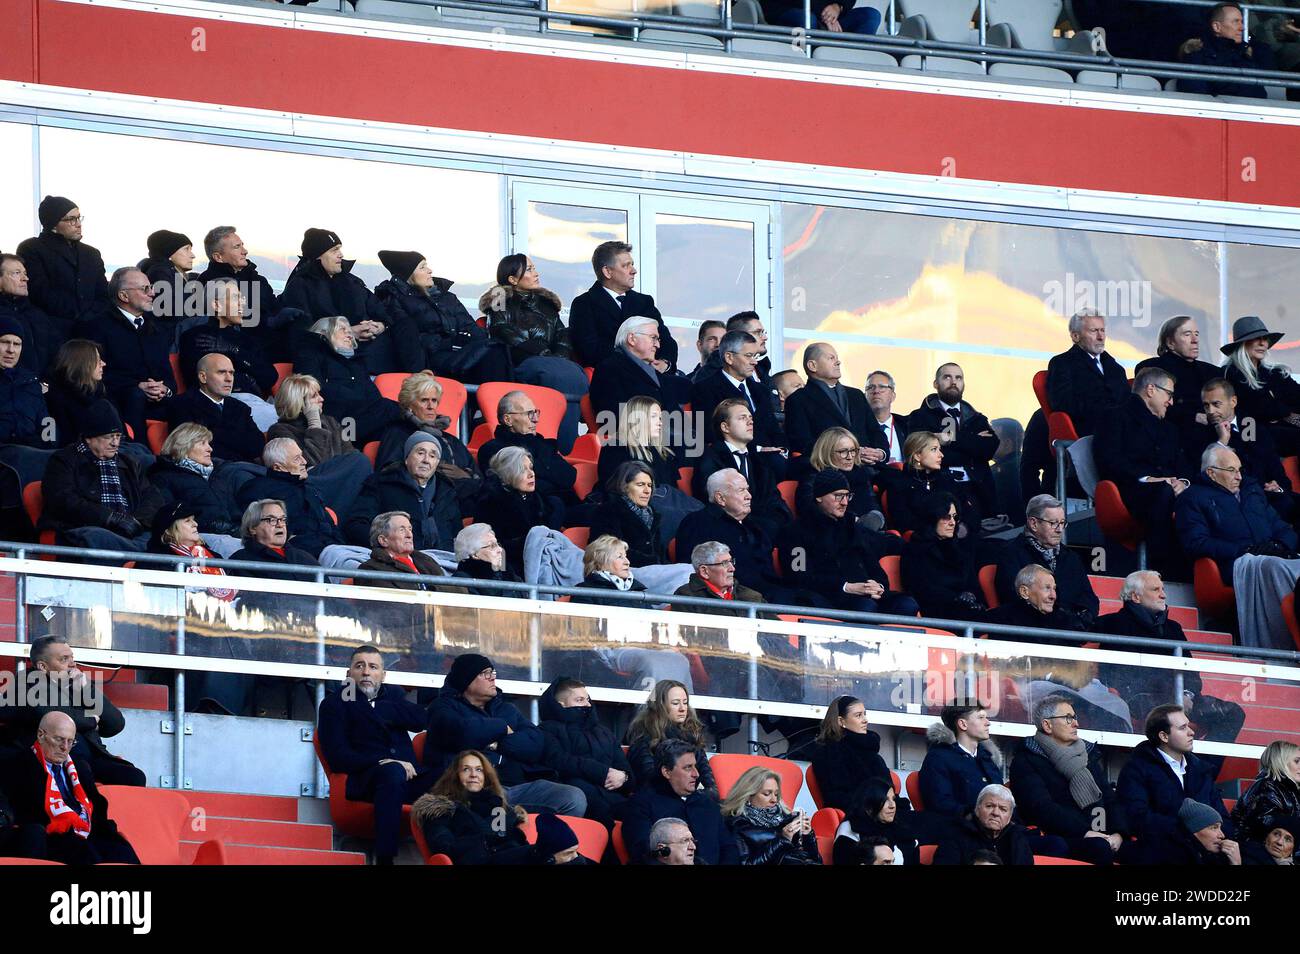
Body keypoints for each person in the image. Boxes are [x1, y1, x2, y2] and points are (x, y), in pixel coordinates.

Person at [424, 652, 587, 817]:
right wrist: (502, 727)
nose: (492, 678)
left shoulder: (505, 708)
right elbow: (462, 732)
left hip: (517, 786)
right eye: (485, 673)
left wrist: (497, 743)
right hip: (474, 790)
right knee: (495, 812)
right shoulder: (443, 707)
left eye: (492, 672)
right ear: (466, 680)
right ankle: (506, 833)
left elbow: (536, 743)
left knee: (573, 797)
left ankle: (539, 839)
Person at [316, 645, 436, 865]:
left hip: (409, 778)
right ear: (348, 673)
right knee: (391, 773)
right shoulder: (335, 704)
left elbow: (421, 720)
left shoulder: (393, 696)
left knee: (451, 775)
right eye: (359, 666)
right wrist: (385, 761)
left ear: (383, 675)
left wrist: (384, 710)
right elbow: (337, 756)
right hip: (365, 780)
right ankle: (385, 859)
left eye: (373, 667)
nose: (366, 672)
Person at [1096, 570, 1245, 744]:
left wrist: (1187, 693)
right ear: (1136, 597)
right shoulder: (1113, 623)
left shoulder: (1173, 628)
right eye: (1155, 590)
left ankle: (1202, 769)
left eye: (1163, 589)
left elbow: (1189, 670)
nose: (1164, 595)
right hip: (1138, 699)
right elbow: (1112, 673)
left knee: (1233, 713)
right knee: (1168, 719)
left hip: (1178, 696)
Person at [0, 635, 145, 787]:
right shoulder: (26, 683)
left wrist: (86, 688)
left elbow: (115, 724)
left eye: (72, 657)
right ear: (43, 667)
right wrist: (91, 721)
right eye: (64, 659)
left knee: (135, 777)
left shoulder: (75, 683)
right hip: (52, 761)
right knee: (82, 773)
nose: (72, 664)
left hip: (90, 759)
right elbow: (55, 716)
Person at [481, 253, 587, 451]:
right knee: (558, 374)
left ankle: (566, 443)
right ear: (512, 279)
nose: (536, 273)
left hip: (551, 360)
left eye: (534, 268)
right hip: (522, 360)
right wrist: (542, 352)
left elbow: (562, 334)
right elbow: (501, 329)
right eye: (529, 269)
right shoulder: (500, 297)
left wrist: (559, 356)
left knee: (576, 374)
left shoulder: (546, 303)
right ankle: (562, 445)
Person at [1, 711, 139, 864]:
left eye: (70, 742)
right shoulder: (18, 764)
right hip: (51, 834)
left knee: (123, 851)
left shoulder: (80, 767)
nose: (64, 748)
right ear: (41, 735)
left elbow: (96, 808)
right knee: (84, 852)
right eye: (59, 739)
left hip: (85, 831)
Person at [777, 468, 919, 615]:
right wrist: (846, 587)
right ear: (819, 497)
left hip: (867, 596)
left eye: (847, 496)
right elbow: (798, 576)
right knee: (866, 607)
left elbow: (874, 567)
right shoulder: (795, 532)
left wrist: (878, 586)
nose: (844, 502)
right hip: (830, 599)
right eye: (838, 496)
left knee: (907, 604)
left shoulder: (853, 528)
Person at [1094, 366, 1191, 572]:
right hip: (1130, 492)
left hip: (1169, 490)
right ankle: (1163, 570)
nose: (1171, 402)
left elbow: (1183, 466)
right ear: (1150, 390)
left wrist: (1183, 482)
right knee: (1163, 493)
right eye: (1169, 394)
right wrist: (1149, 479)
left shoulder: (1170, 429)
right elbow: (1108, 462)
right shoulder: (1114, 417)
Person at [280, 228, 415, 376]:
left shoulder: (351, 282)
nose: (341, 255)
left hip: (368, 348)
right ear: (318, 256)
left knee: (406, 325)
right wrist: (349, 332)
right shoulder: (299, 286)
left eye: (340, 249)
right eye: (334, 250)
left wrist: (381, 325)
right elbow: (302, 332)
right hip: (331, 355)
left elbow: (380, 309)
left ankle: (418, 379)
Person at [1008, 695, 1125, 865]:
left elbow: (1109, 798)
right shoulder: (1026, 760)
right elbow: (1041, 808)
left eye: (1074, 717)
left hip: (1103, 834)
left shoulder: (1088, 755)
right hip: (1060, 838)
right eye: (1068, 718)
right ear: (1047, 725)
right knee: (1099, 848)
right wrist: (1085, 832)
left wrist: (1118, 833)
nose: (1076, 723)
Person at [40, 400, 164, 552]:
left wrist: (135, 522)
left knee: (164, 540)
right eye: (109, 437)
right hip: (85, 528)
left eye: (118, 436)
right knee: (98, 538)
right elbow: (63, 500)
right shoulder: (64, 460)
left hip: (130, 532)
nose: (115, 443)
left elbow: (151, 496)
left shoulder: (130, 462)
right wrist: (110, 518)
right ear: (89, 438)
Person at [373, 249, 509, 383]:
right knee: (493, 354)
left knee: (497, 347)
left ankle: (502, 401)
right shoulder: (394, 298)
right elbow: (405, 336)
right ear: (408, 275)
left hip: (459, 352)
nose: (430, 270)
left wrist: (472, 339)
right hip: (431, 359)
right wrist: (448, 343)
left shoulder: (447, 297)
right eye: (422, 267)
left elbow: (470, 327)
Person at [1175, 444, 1298, 587]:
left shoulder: (1252, 492)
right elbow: (1196, 543)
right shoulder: (1192, 498)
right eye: (1231, 471)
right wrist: (1244, 550)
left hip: (1274, 558)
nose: (1239, 477)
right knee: (1278, 570)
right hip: (1234, 565)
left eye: (1239, 470)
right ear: (1211, 473)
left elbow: (1282, 528)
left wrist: (1278, 545)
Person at [676, 468, 801, 605]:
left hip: (769, 594)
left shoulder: (756, 526)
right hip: (733, 599)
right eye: (741, 490)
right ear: (720, 498)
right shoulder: (697, 523)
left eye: (747, 490)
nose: (749, 496)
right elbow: (691, 572)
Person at [1116, 704, 1235, 847]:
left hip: (1208, 851)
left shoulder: (1202, 771)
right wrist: (1189, 833)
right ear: (1164, 736)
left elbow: (1223, 818)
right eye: (1182, 728)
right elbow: (1136, 817)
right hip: (1163, 851)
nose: (1191, 732)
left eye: (1189, 726)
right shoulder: (1136, 770)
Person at [88, 266, 176, 441]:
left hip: (160, 400)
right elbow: (95, 375)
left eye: (151, 288)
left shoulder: (157, 328)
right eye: (145, 289)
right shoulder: (96, 327)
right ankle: (140, 461)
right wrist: (138, 387)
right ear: (123, 296)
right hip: (122, 400)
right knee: (135, 397)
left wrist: (165, 389)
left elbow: (168, 376)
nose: (152, 293)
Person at [177, 278, 278, 430]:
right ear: (216, 305)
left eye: (242, 298)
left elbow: (270, 377)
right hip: (217, 406)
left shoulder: (246, 339)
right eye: (236, 298)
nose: (242, 304)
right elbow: (196, 379)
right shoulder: (195, 336)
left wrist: (233, 350)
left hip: (254, 402)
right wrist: (244, 378)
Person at [1190, 377, 1295, 521]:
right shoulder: (1200, 434)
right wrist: (1222, 442)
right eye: (1206, 405)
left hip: (1267, 494)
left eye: (1216, 404)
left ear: (1233, 402)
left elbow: (1272, 465)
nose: (1210, 411)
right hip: (1233, 502)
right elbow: (1205, 476)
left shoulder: (1249, 425)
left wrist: (1279, 487)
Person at [598, 394, 700, 541]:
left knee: (702, 513)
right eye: (654, 417)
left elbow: (671, 488)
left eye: (660, 417)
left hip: (667, 498)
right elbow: (616, 487)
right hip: (638, 501)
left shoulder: (662, 451)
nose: (660, 422)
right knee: (672, 515)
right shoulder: (615, 448)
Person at [538, 676, 636, 828]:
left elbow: (626, 770)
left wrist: (624, 777)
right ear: (561, 705)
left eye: (588, 699)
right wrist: (601, 772)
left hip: (614, 795)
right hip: (579, 796)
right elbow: (560, 762)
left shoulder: (604, 732)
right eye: (580, 700)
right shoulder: (548, 730)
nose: (587, 704)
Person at [622, 739, 739, 865]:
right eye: (688, 768)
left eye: (696, 766)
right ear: (666, 772)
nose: (696, 774)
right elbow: (643, 854)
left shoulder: (708, 804)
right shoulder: (641, 804)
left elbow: (729, 848)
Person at [373, 371, 481, 506]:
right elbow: (389, 473)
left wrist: (464, 474)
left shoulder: (452, 440)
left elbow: (479, 479)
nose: (431, 406)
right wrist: (436, 472)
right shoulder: (397, 433)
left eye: (434, 400)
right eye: (424, 400)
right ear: (410, 406)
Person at [344, 432, 461, 556]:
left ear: (437, 463)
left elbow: (457, 535)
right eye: (420, 453)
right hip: (395, 561)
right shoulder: (381, 484)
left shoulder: (447, 491)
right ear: (406, 458)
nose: (426, 460)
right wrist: (386, 546)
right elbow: (356, 525)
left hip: (442, 562)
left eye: (432, 456)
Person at [293, 315, 402, 446]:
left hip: (360, 427)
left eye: (350, 331)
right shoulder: (310, 354)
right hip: (338, 428)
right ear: (323, 332)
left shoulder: (357, 363)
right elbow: (310, 390)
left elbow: (374, 399)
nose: (349, 334)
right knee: (392, 409)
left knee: (397, 430)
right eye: (342, 329)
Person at [907, 363, 1000, 515]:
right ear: (936, 384)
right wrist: (972, 444)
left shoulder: (977, 417)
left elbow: (990, 448)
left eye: (958, 377)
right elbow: (921, 452)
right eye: (947, 377)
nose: (953, 382)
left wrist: (949, 439)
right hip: (939, 491)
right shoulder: (919, 416)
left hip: (980, 493)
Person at [995, 494, 1099, 628]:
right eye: (1053, 523)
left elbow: (1089, 598)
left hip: (1072, 632)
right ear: (1033, 523)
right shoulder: (1011, 553)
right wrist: (1061, 619)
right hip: (1030, 632)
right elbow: (1013, 597)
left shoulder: (1071, 558)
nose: (1060, 530)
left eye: (1062, 523)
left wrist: (1085, 616)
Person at [569, 241, 675, 371]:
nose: (634, 271)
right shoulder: (584, 304)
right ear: (607, 272)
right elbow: (588, 350)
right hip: (610, 377)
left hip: (651, 374)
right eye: (626, 266)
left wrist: (666, 363)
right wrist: (634, 360)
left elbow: (666, 340)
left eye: (632, 265)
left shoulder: (644, 302)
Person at [411, 750, 531, 865]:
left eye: (479, 770)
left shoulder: (499, 808)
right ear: (455, 776)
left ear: (486, 777)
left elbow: (517, 843)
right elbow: (445, 847)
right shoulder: (440, 808)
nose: (473, 775)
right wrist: (486, 840)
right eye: (466, 769)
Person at [235, 438, 344, 557]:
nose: (304, 461)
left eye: (302, 456)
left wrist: (342, 547)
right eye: (297, 459)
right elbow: (258, 529)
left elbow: (330, 526)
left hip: (332, 550)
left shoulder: (310, 490)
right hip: (300, 554)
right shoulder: (257, 488)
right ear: (278, 467)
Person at [15, 196, 110, 324]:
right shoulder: (31, 248)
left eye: (79, 218)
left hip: (92, 326)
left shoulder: (91, 253)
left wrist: (90, 316)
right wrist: (77, 313)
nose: (78, 224)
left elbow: (103, 294)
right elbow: (39, 292)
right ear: (53, 224)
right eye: (71, 219)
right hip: (50, 327)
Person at [475, 445, 565, 577]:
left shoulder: (542, 502)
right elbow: (492, 550)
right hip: (508, 571)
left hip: (539, 564)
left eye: (531, 468)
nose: (531, 474)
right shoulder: (491, 502)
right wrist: (530, 543)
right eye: (523, 470)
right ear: (507, 473)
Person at [478, 389, 578, 504]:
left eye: (536, 413)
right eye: (529, 414)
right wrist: (550, 473)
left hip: (567, 505)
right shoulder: (493, 449)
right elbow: (518, 487)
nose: (536, 419)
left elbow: (570, 476)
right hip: (533, 511)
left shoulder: (542, 443)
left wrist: (538, 469)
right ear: (508, 420)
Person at [197, 226, 284, 358]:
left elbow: (275, 309)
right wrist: (269, 322)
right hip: (237, 351)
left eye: (242, 245)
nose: (245, 251)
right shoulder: (207, 283)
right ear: (218, 257)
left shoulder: (258, 279)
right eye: (237, 247)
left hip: (272, 346)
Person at [689, 330, 782, 452]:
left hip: (770, 459)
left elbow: (774, 429)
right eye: (748, 355)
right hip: (731, 461)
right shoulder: (705, 389)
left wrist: (783, 449)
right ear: (729, 357)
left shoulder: (761, 390)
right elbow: (709, 433)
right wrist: (758, 449)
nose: (754, 362)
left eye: (755, 356)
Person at [1221, 315, 1300, 456]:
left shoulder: (1275, 373)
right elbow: (1258, 408)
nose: (1263, 343)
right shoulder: (1229, 374)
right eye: (1257, 338)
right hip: (1252, 434)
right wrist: (1287, 413)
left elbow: (1296, 396)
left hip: (1279, 431)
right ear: (1242, 344)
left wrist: (1284, 414)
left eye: (1265, 339)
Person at [167, 353, 266, 464]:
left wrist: (218, 435)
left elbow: (258, 446)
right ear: (203, 377)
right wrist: (238, 438)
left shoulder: (240, 407)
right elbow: (191, 448)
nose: (229, 379)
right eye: (221, 372)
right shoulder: (182, 404)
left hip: (245, 469)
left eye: (231, 373)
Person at [901, 493, 986, 621]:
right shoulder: (914, 550)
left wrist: (971, 595)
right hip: (937, 613)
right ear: (932, 518)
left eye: (955, 517)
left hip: (967, 611)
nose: (952, 523)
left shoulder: (960, 549)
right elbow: (922, 589)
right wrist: (956, 597)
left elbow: (972, 583)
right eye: (947, 517)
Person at [1046, 310, 1130, 439]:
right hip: (1089, 433)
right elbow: (1063, 404)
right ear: (1075, 336)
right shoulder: (1062, 364)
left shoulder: (1115, 368)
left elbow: (1127, 401)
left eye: (1102, 330)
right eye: (1094, 331)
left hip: (1122, 431)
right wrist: (1106, 409)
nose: (1100, 337)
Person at [625, 679, 718, 795]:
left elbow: (708, 780)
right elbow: (649, 780)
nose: (682, 708)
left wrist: (706, 795)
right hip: (656, 803)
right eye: (675, 703)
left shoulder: (691, 735)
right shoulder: (645, 737)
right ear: (660, 706)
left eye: (685, 703)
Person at [1136, 315, 1222, 440]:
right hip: (1167, 438)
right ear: (1170, 342)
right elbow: (1150, 407)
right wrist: (1193, 416)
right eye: (1187, 334)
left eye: (1197, 334)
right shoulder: (1151, 368)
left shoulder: (1213, 372)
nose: (1195, 340)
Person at [589, 316, 684, 426]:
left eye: (658, 340)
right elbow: (612, 419)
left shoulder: (657, 375)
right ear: (632, 339)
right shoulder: (608, 370)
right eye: (653, 338)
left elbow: (678, 419)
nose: (657, 345)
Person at [783, 342, 873, 455]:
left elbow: (875, 432)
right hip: (825, 467)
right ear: (812, 366)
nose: (838, 362)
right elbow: (801, 442)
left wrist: (880, 452)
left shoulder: (856, 395)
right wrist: (845, 452)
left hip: (867, 466)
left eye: (837, 358)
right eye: (831, 358)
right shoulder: (798, 399)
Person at [918, 703, 1003, 821]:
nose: (988, 722)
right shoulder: (938, 759)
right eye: (981, 717)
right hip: (962, 831)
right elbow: (940, 804)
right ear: (963, 724)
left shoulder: (988, 759)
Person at [720, 766, 819, 866]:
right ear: (748, 795)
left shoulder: (787, 819)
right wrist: (782, 840)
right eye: (767, 794)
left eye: (776, 794)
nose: (774, 800)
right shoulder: (738, 825)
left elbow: (816, 860)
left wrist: (808, 836)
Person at [888, 430, 981, 536]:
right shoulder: (899, 485)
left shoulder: (947, 481)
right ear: (917, 455)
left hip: (959, 543)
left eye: (939, 449)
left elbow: (970, 514)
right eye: (934, 450)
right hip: (924, 547)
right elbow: (904, 524)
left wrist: (963, 529)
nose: (941, 455)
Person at [810, 695, 894, 812]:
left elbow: (891, 792)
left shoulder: (871, 751)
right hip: (858, 816)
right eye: (858, 715)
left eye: (865, 714)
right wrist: (875, 808)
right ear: (841, 721)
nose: (865, 720)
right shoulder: (830, 752)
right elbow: (836, 797)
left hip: (886, 814)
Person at [792, 425, 883, 528]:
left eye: (853, 451)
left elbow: (873, 506)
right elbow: (811, 512)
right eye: (843, 452)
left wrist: (875, 518)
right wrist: (853, 521)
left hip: (864, 533)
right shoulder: (814, 478)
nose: (850, 457)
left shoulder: (860, 474)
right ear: (827, 452)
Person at [147, 501, 238, 603]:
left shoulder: (214, 556)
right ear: (168, 530)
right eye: (187, 521)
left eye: (193, 520)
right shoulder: (156, 560)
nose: (195, 524)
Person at [1181, 2, 1275, 99]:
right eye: (1236, 21)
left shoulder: (1245, 54)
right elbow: (1196, 96)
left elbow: (1260, 95)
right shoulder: (1198, 56)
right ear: (1217, 27)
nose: (1242, 28)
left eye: (1242, 22)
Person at [0, 252, 71, 378]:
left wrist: (46, 382)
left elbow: (58, 354)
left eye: (25, 273)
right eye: (16, 273)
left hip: (40, 390)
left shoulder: (38, 315)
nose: (25, 278)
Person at [589, 460, 670, 568]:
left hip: (653, 572)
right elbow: (608, 552)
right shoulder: (608, 511)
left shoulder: (653, 515)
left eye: (650, 485)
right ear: (624, 486)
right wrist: (652, 563)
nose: (647, 491)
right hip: (626, 571)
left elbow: (661, 554)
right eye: (640, 485)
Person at [266, 373, 357, 469]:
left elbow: (350, 455)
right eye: (314, 396)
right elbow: (312, 464)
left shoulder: (330, 421)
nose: (322, 399)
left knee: (360, 460)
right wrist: (314, 424)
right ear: (298, 402)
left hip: (341, 475)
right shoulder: (280, 431)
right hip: (311, 481)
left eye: (319, 394)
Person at [982, 564, 1089, 645]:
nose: (1053, 596)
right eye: (1047, 588)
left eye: (1054, 589)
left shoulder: (1065, 620)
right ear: (1024, 592)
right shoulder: (1002, 619)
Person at [934, 784, 1035, 866]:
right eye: (989, 806)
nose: (995, 813)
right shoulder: (955, 835)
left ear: (1009, 817)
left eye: (1003, 809)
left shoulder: (1018, 839)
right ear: (977, 809)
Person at [834, 776, 920, 866]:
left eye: (893, 799)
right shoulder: (850, 830)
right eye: (885, 800)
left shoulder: (901, 828)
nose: (892, 805)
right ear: (869, 805)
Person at [1130, 798, 1243, 866]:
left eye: (1220, 828)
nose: (1222, 835)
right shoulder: (1169, 854)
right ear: (1194, 829)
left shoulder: (1213, 857)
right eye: (1214, 827)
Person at [355, 511, 447, 590]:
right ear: (383, 540)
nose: (409, 535)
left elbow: (450, 589)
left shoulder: (426, 561)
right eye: (402, 530)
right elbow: (389, 606)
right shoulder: (371, 570)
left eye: (410, 529)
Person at [1231, 741, 1300, 844]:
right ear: (1280, 761)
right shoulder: (1266, 787)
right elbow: (1265, 825)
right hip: (1259, 854)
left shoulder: (1291, 790)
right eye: (1297, 761)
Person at [228, 498, 319, 575]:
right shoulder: (241, 562)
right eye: (271, 520)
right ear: (253, 528)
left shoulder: (304, 557)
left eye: (282, 519)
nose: (280, 525)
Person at [44, 339, 108, 447]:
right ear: (81, 363)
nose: (103, 364)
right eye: (97, 360)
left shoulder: (99, 392)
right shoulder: (55, 399)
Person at [0, 315, 50, 451]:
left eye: (17, 344)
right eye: (4, 342)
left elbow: (47, 422)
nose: (11, 350)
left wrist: (49, 442)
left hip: (29, 455)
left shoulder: (31, 382)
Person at [137, 229, 197, 336]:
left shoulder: (171, 273)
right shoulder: (160, 273)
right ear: (169, 252)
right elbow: (173, 312)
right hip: (170, 342)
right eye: (186, 249)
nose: (192, 255)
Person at [450, 523, 520, 596]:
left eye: (498, 544)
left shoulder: (507, 572)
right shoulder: (462, 580)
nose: (500, 550)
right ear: (474, 554)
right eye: (492, 546)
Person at [865, 370, 910, 473]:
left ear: (893, 396)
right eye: (870, 387)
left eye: (882, 386)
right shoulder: (857, 427)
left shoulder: (906, 425)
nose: (876, 391)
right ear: (865, 396)